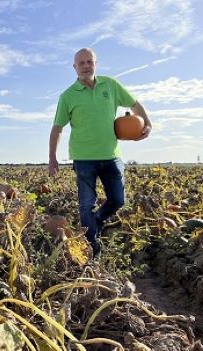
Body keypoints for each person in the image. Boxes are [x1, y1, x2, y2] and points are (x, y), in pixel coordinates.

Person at [48, 48, 151, 258]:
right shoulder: (67, 96)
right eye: (81, 63)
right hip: (84, 158)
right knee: (86, 203)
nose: (86, 66)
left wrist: (147, 123)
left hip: (111, 155)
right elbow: (57, 128)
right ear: (74, 67)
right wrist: (52, 157)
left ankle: (97, 222)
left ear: (96, 63)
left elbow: (134, 104)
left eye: (89, 62)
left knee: (118, 199)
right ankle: (92, 248)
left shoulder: (110, 85)